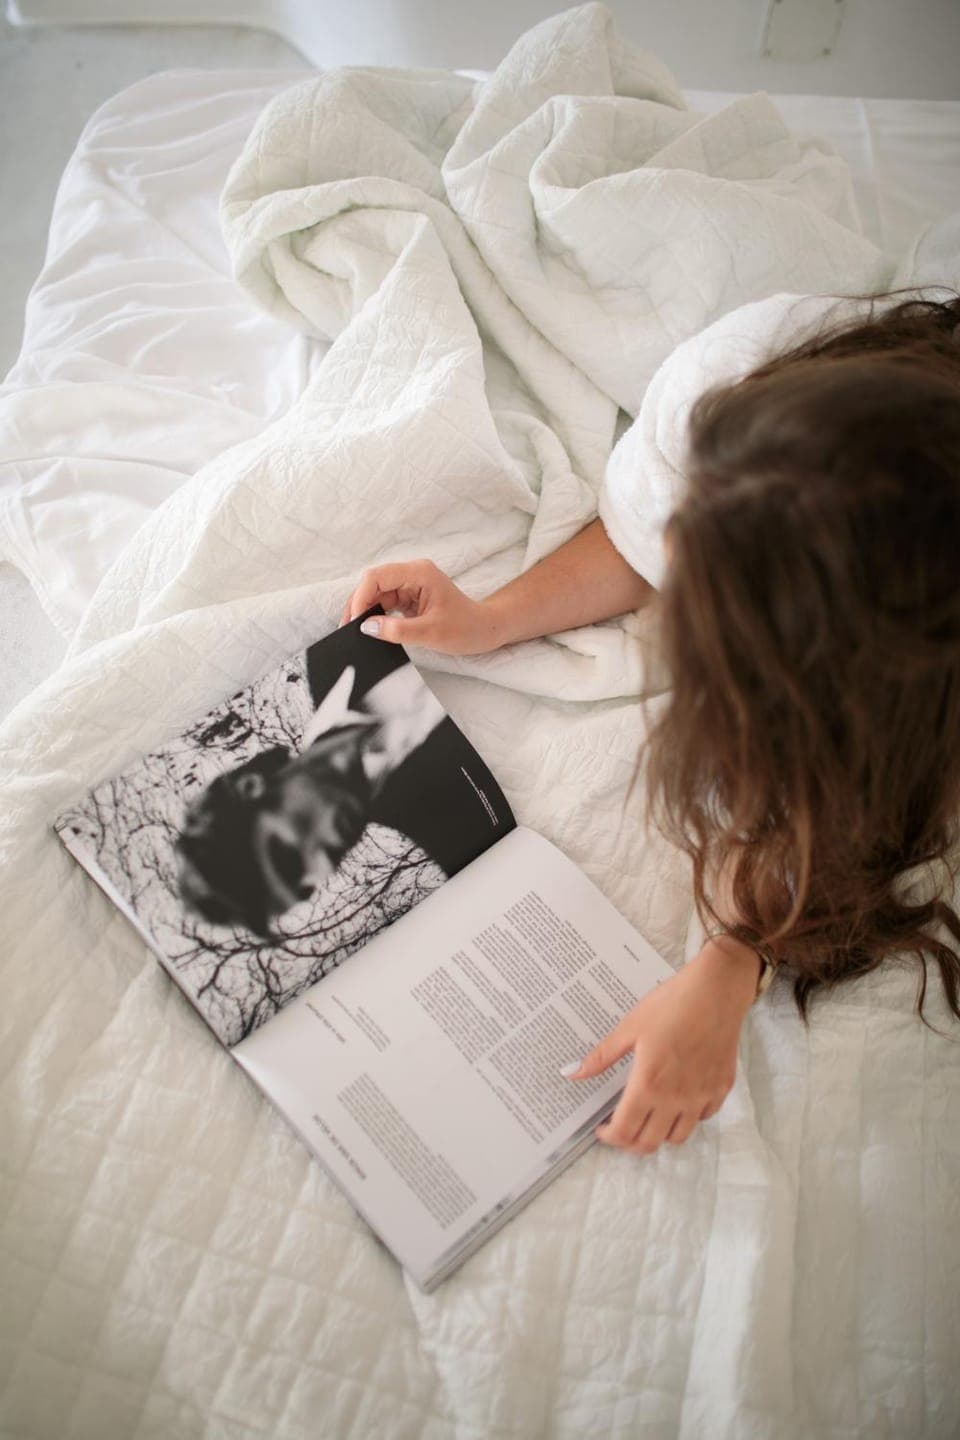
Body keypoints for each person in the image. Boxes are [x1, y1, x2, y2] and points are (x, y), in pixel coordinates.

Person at [340, 288, 960, 1158]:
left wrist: (738, 961)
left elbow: (891, 817)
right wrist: (489, 620)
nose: (674, 632)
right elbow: (639, 541)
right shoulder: (730, 390)